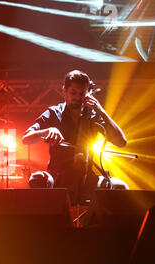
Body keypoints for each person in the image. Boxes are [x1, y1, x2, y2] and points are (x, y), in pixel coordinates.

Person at [22, 70, 128, 203]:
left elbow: (121, 142)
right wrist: (47, 131)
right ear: (64, 91)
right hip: (58, 177)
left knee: (120, 186)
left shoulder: (94, 115)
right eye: (73, 93)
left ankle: (96, 223)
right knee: (38, 179)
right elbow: (26, 139)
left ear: (88, 93)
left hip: (87, 178)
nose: (77, 97)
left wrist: (101, 111)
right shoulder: (53, 113)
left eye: (82, 93)